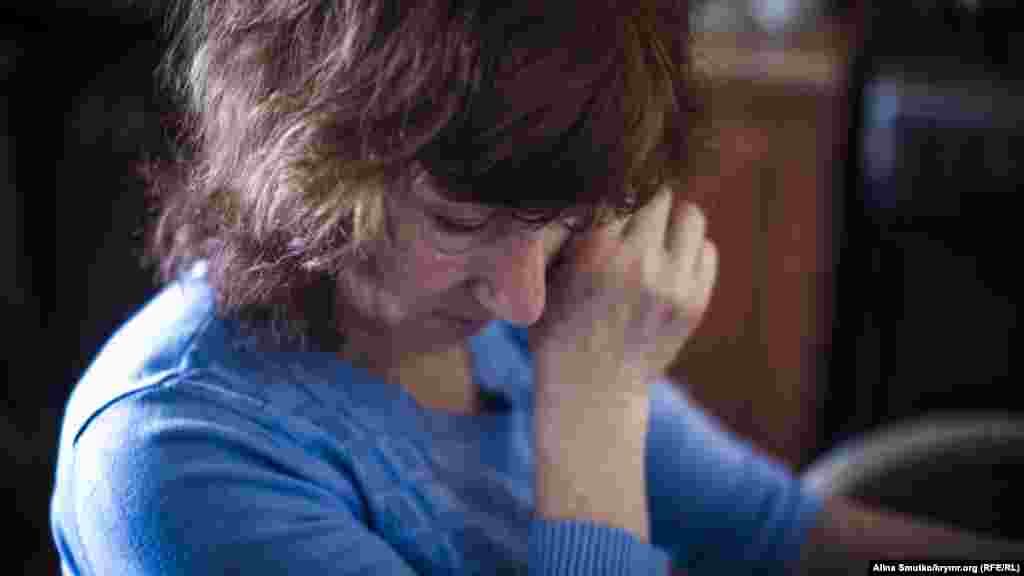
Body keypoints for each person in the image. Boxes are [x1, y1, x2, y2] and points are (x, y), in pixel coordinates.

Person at [50, 1, 1021, 574]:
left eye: (555, 222)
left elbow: (775, 535)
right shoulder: (175, 455)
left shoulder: (489, 309)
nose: (523, 302)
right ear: (307, 163)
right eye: (460, 225)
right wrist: (594, 408)